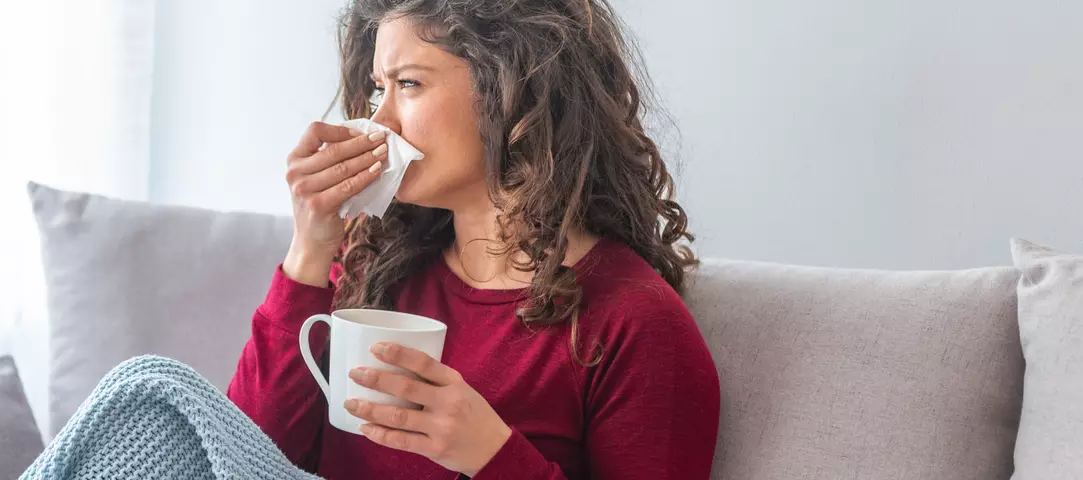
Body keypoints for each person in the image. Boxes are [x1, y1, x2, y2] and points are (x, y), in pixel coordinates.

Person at [226, 0, 719, 479]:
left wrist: (491, 456)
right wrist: (310, 249)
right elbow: (236, 459)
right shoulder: (371, 266)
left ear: (517, 90)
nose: (380, 123)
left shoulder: (634, 324)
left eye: (409, 84)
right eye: (380, 90)